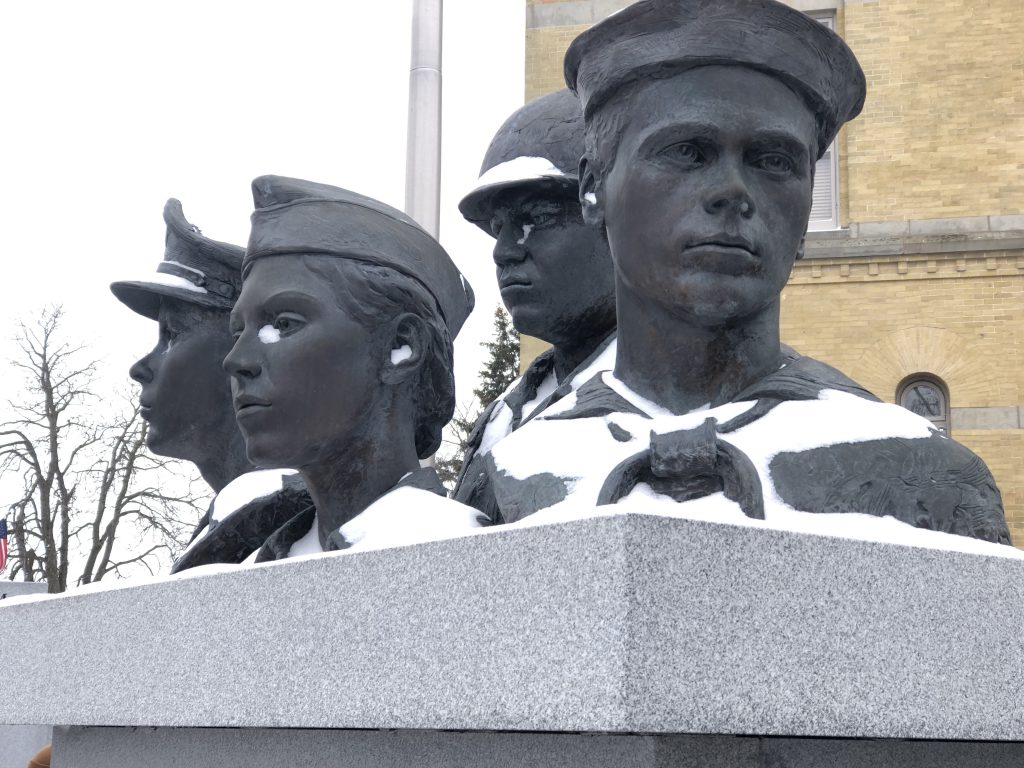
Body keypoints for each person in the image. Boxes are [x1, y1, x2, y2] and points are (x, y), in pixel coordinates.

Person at [477, 0, 1011, 545]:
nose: (732, 191)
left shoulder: (929, 480)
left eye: (774, 161)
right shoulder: (507, 479)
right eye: (687, 151)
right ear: (593, 189)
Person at [224, 176, 483, 561]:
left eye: (283, 324)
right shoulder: (251, 572)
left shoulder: (463, 555)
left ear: (401, 346)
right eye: (237, 331)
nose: (236, 361)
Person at [111, 200, 310, 572]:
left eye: (171, 334)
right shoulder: (238, 522)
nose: (139, 368)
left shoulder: (284, 523)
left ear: (241, 354)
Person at [453, 89, 617, 522]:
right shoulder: (503, 414)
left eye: (537, 219)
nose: (503, 251)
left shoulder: (665, 408)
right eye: (498, 227)